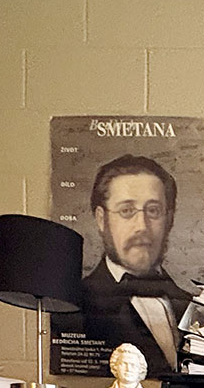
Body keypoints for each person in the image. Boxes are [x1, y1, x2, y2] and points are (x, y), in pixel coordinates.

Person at [79, 154, 195, 376]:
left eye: (153, 210)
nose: (142, 226)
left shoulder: (190, 306)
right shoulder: (76, 304)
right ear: (102, 219)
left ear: (169, 219)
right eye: (126, 211)